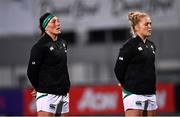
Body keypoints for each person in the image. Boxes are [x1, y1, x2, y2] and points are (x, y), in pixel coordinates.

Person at [114, 11, 158, 116]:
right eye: (146, 24)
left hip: (150, 93)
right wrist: (126, 84)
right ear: (137, 27)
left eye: (150, 24)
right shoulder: (129, 45)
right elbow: (118, 69)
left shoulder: (151, 46)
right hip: (133, 93)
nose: (150, 26)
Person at [27, 12, 71, 116]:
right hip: (47, 95)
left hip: (63, 94)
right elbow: (31, 72)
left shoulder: (63, 43)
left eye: (58, 21)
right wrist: (38, 88)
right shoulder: (40, 46)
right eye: (54, 21)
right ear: (45, 27)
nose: (58, 23)